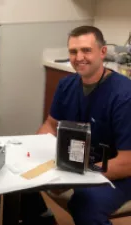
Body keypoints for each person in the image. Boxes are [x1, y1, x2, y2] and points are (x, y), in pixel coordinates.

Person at [21, 26, 131, 225]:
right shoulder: (67, 85)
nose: (79, 57)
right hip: (79, 162)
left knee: (86, 203)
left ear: (103, 52)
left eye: (86, 50)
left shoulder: (124, 95)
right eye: (73, 51)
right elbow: (50, 126)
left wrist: (72, 175)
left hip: (120, 172)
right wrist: (35, 153)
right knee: (23, 180)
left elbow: (127, 161)